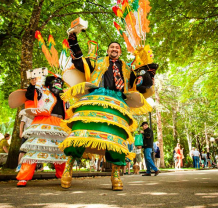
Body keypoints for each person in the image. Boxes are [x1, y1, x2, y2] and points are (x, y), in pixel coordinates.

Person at [58, 33, 158, 191]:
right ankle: (68, 167)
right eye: (112, 47)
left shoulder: (127, 68)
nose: (114, 49)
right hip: (96, 98)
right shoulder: (97, 61)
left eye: (117, 48)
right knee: (81, 132)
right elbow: (79, 63)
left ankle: (115, 174)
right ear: (108, 50)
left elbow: (139, 84)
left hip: (118, 103)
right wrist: (73, 42)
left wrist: (148, 71)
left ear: (120, 52)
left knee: (117, 138)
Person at [16, 75, 69, 187]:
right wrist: (32, 85)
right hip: (43, 123)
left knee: (61, 152)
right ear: (49, 83)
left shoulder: (65, 96)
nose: (58, 84)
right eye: (56, 81)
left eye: (60, 82)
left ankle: (62, 175)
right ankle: (23, 177)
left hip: (59, 125)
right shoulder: (42, 91)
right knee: (34, 151)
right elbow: (30, 96)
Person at [16, 77, 38, 172]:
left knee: (33, 149)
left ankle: (32, 167)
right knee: (23, 150)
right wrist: (21, 132)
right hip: (27, 132)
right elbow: (22, 123)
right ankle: (19, 166)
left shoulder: (37, 110)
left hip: (35, 132)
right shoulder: (26, 112)